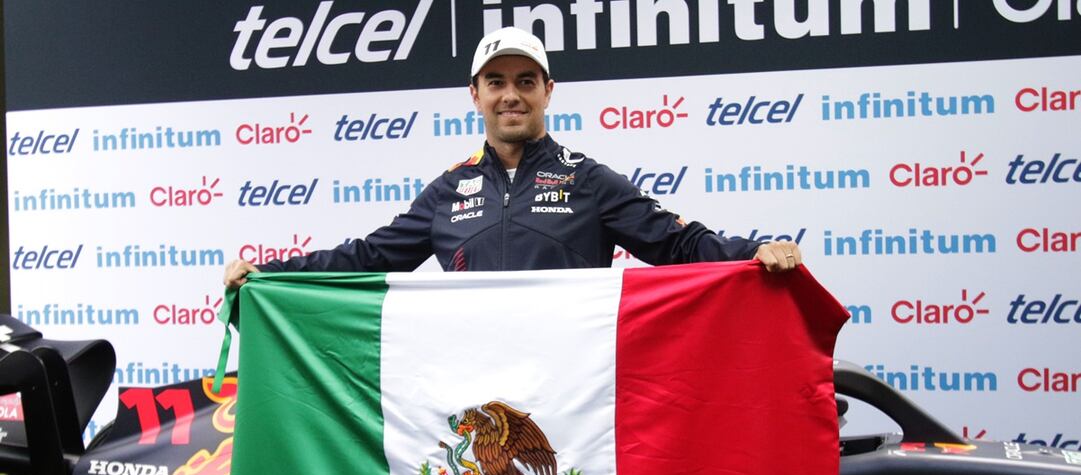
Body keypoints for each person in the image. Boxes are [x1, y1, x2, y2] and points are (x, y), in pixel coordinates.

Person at [223, 27, 801, 288]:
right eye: (495, 81)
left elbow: (675, 243)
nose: (511, 94)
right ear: (475, 95)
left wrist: (755, 253)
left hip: (574, 387)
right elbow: (372, 257)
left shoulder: (587, 178)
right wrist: (274, 275)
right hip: (472, 389)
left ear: (548, 91)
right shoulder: (449, 190)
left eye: (526, 80)